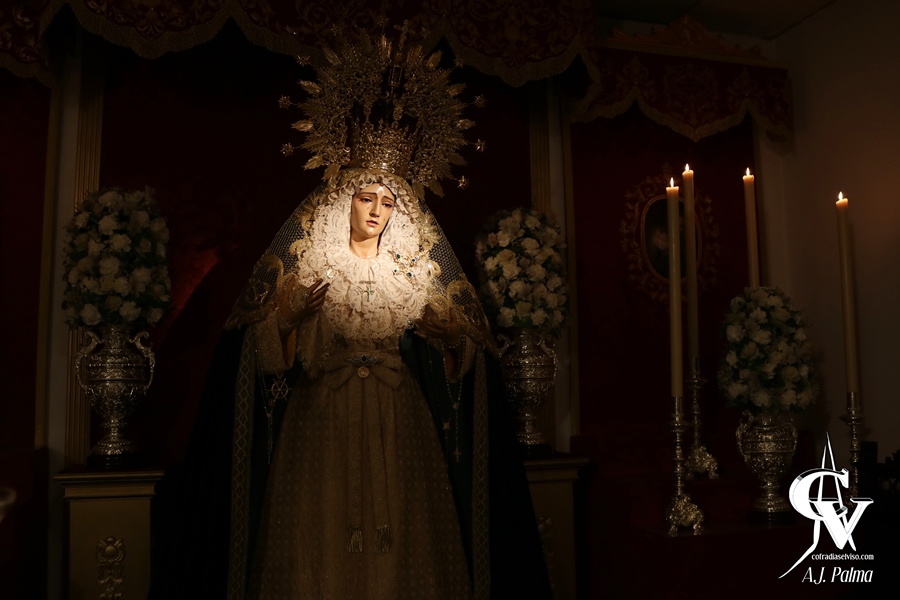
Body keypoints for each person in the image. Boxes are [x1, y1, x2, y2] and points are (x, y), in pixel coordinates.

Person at [151, 31, 552, 600]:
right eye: (368, 198)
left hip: (398, 416)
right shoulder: (310, 265)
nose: (378, 211)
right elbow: (257, 356)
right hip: (323, 416)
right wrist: (286, 322)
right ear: (345, 200)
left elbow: (464, 358)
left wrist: (450, 340)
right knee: (319, 532)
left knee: (405, 529)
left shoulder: (416, 273)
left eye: (389, 202)